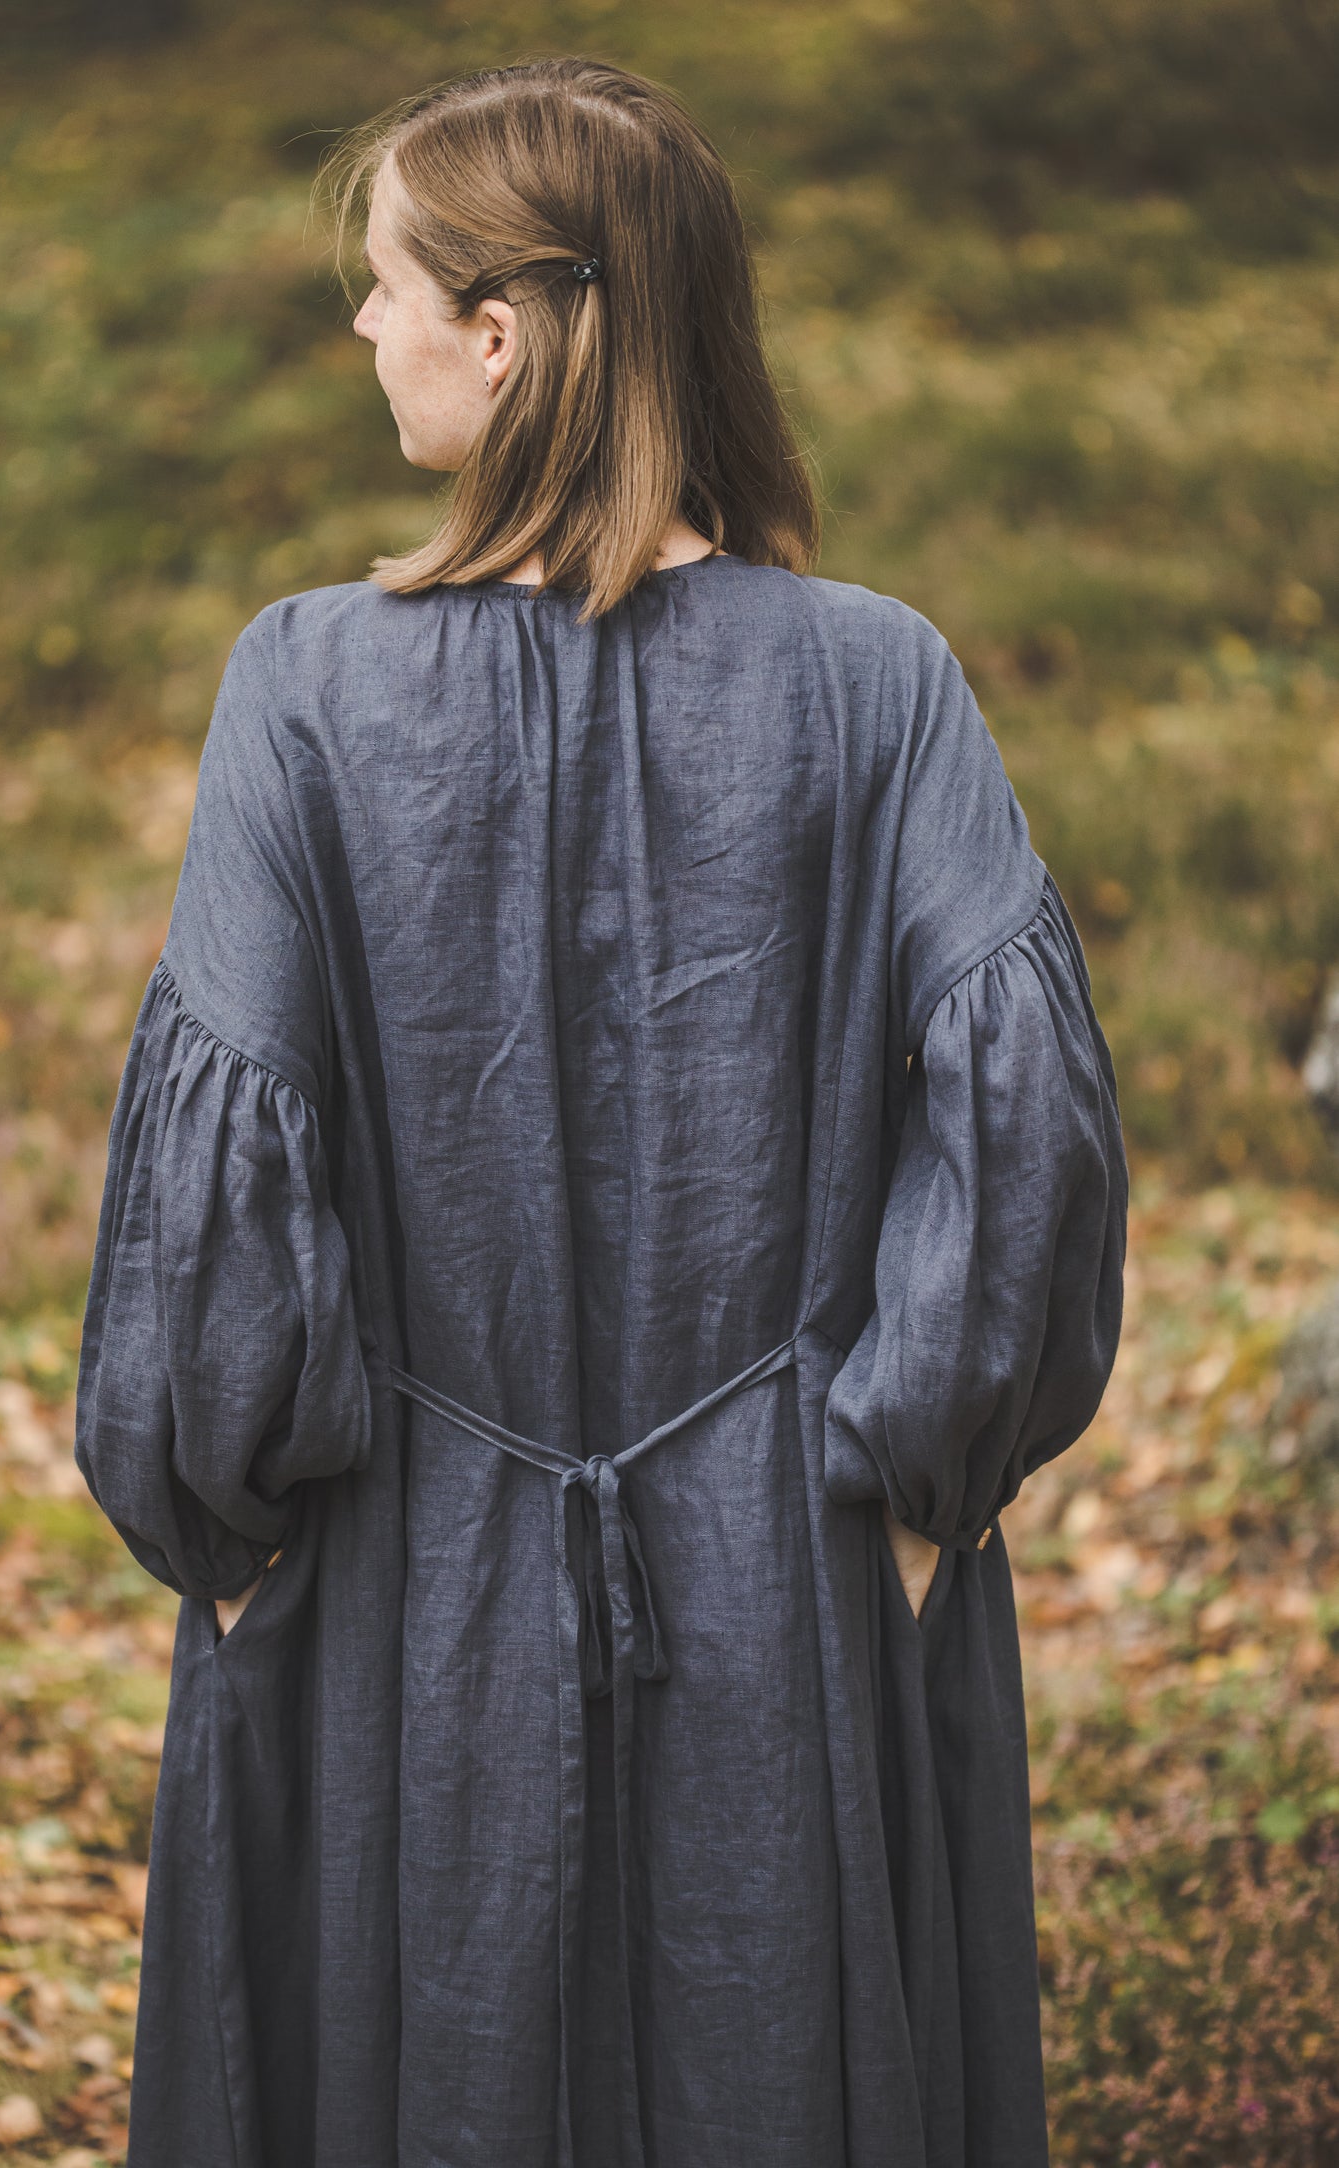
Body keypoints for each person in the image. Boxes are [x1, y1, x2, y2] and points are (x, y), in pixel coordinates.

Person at [74, 55, 1126, 2168]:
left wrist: (237, 1518)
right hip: (794, 1572)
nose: (361, 326)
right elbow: (1026, 1127)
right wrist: (913, 1480)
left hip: (402, 1597)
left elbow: (219, 1190)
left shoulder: (301, 676)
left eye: (386, 285)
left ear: (504, 331)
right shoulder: (880, 672)